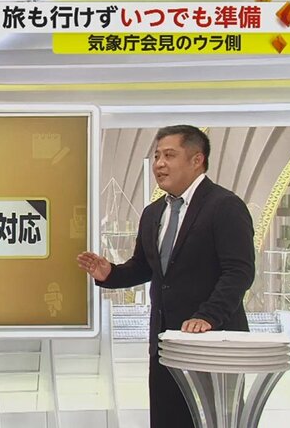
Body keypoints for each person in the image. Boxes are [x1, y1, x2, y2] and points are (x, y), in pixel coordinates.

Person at [77, 125, 255, 428]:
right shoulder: (153, 212)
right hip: (165, 344)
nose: (159, 164)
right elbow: (144, 268)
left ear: (197, 160)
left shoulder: (224, 206)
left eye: (169, 155)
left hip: (213, 343)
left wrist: (208, 316)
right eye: (157, 156)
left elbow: (239, 271)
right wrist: (110, 274)